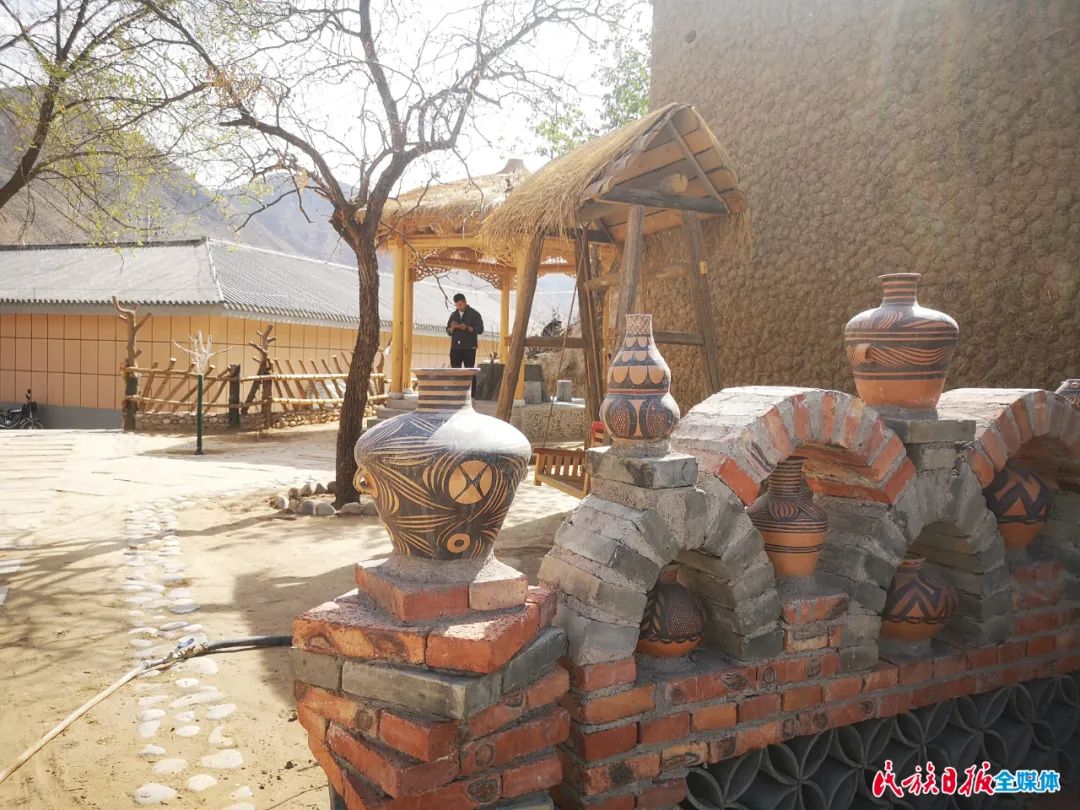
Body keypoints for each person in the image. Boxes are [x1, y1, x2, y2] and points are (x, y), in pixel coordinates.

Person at [446, 293, 484, 395]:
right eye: (457, 305)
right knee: (455, 370)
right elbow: (448, 331)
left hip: (469, 347)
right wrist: (452, 328)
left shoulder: (474, 314)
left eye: (461, 305)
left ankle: (472, 395)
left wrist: (466, 327)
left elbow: (480, 329)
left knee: (469, 370)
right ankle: (456, 393)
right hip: (455, 347)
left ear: (465, 302)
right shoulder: (453, 315)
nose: (459, 307)